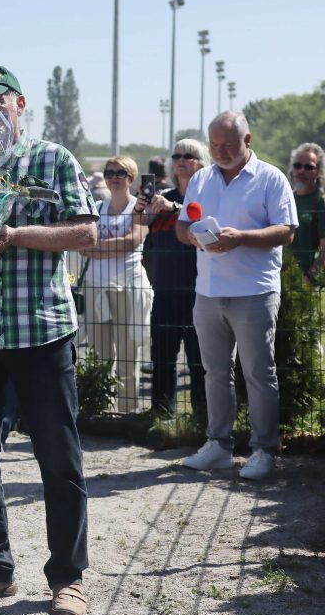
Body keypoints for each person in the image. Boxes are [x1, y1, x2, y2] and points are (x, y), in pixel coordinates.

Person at [0, 66, 98, 615]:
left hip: (40, 328)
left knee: (59, 458)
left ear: (20, 105)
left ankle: (68, 580)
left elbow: (86, 233)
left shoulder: (53, 159)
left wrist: (13, 235)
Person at [177, 111, 298, 481]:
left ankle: (264, 450)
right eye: (213, 145)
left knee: (259, 374)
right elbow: (182, 227)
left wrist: (241, 237)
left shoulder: (271, 178)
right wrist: (195, 237)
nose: (219, 152)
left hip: (254, 291)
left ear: (248, 141)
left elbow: (286, 231)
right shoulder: (200, 178)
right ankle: (218, 446)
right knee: (215, 373)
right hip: (208, 291)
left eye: (228, 145)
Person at [133, 139, 209, 419]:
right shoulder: (162, 194)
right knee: (162, 357)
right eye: (176, 155)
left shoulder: (207, 193)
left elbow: (204, 221)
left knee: (199, 359)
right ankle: (162, 413)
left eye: (189, 155)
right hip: (164, 287)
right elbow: (139, 223)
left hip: (199, 288)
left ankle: (202, 416)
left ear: (201, 162)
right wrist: (141, 208)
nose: (181, 160)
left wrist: (174, 208)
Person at [80, 155, 153, 412]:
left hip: (127, 288)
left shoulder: (139, 208)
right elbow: (84, 248)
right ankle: (102, 407)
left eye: (119, 173)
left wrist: (98, 247)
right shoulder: (98, 207)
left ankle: (128, 410)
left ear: (131, 178)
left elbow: (132, 241)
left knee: (126, 354)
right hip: (96, 287)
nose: (113, 177)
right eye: (110, 172)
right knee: (99, 353)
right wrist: (111, 246)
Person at [288, 142, 325, 281]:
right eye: (297, 165)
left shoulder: (320, 202)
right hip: (278, 279)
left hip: (306, 285)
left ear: (318, 172)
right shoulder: (284, 200)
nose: (301, 170)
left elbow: (324, 250)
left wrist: (310, 276)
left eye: (309, 167)